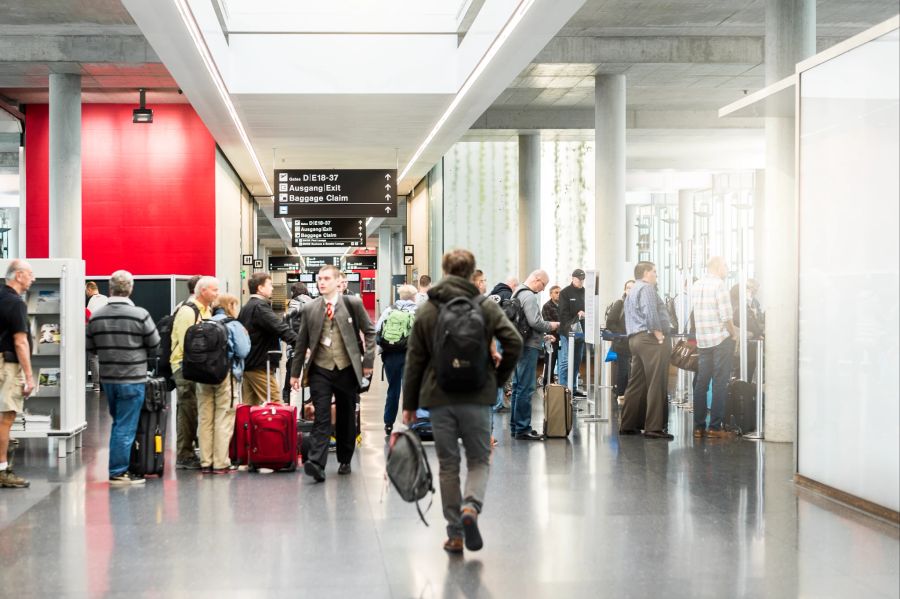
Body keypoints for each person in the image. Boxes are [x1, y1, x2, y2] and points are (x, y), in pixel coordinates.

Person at [402, 249, 522, 554]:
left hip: (439, 396)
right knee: (480, 459)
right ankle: (471, 507)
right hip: (478, 394)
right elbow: (514, 341)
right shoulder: (484, 306)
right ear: (472, 274)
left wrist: (410, 404)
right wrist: (496, 377)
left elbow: (415, 359)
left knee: (448, 465)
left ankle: (454, 533)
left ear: (444, 270)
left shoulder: (429, 309)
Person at [290, 264, 375, 482]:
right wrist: (295, 373)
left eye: (326, 278)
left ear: (338, 282)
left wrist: (368, 362)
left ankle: (345, 458)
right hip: (320, 369)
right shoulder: (311, 308)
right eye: (319, 278)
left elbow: (370, 331)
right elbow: (301, 344)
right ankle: (317, 462)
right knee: (322, 415)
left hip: (346, 368)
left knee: (346, 414)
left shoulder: (352, 304)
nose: (321, 282)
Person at [86, 270, 161, 485]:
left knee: (119, 422)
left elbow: (90, 347)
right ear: (130, 288)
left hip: (109, 379)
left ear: (110, 289)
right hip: (132, 378)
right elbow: (155, 343)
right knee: (125, 426)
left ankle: (124, 466)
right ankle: (118, 472)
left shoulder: (97, 316)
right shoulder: (140, 314)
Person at [619, 262, 673, 440]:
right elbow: (650, 312)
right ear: (646, 273)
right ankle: (654, 427)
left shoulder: (632, 290)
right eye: (654, 272)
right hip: (649, 339)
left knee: (635, 383)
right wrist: (659, 335)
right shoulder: (647, 288)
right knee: (656, 382)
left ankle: (627, 424)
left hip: (634, 339)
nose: (656, 275)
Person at [197, 293, 250, 473]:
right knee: (224, 416)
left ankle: (205, 461)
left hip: (202, 376)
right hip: (225, 375)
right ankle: (221, 462)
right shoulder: (233, 325)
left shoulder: (204, 323)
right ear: (231, 306)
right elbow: (243, 351)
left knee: (205, 418)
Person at [170, 276, 217, 469]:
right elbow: (186, 343)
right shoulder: (188, 311)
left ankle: (194, 447)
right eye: (214, 290)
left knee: (196, 409)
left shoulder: (207, 310)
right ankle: (184, 454)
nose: (217, 293)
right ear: (203, 291)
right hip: (185, 367)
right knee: (187, 409)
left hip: (198, 367)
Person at [508, 270, 559, 440]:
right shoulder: (529, 296)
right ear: (537, 280)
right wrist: (552, 326)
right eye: (543, 285)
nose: (543, 289)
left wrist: (542, 335)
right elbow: (534, 321)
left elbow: (523, 322)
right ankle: (523, 428)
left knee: (517, 386)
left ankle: (516, 426)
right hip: (528, 347)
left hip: (518, 344)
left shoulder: (517, 292)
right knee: (526, 388)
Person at [693, 257, 737, 439]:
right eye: (726, 266)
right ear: (719, 267)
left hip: (703, 340)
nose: (727, 270)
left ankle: (698, 427)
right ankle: (715, 427)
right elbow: (726, 315)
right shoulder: (719, 285)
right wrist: (733, 333)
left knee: (701, 383)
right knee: (719, 383)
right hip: (720, 340)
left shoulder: (696, 285)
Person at [0, 260, 35, 489]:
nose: (33, 279)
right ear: (19, 275)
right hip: (8, 365)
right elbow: (20, 341)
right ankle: (3, 470)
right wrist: (30, 376)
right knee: (6, 417)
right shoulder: (16, 303)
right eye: (30, 275)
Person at [238, 272, 297, 406]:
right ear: (260, 288)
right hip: (260, 366)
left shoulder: (246, 308)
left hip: (248, 365)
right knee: (276, 403)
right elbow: (280, 328)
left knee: (250, 407)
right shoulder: (260, 307)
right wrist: (300, 344)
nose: (272, 288)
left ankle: (250, 427)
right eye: (270, 285)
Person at [375, 284, 417, 435]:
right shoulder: (417, 310)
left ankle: (388, 423)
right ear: (413, 296)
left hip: (391, 354)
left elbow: (377, 330)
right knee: (409, 389)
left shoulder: (389, 310)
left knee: (393, 389)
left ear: (400, 296)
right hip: (410, 355)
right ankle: (410, 423)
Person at [282, 282, 313, 402]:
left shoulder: (294, 303)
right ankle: (308, 399)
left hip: (296, 344)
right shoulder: (313, 302)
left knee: (292, 369)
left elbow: (288, 324)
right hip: (311, 345)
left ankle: (288, 397)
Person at [605, 280, 635, 404]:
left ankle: (630, 393)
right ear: (624, 289)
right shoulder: (620, 304)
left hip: (635, 343)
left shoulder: (638, 304)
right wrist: (622, 335)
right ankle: (621, 393)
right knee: (623, 370)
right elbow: (610, 322)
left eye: (633, 288)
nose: (630, 290)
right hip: (622, 343)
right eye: (628, 288)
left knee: (632, 370)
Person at [558, 269, 586, 396]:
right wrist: (577, 315)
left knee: (576, 361)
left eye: (582, 279)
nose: (580, 281)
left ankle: (573, 388)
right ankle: (563, 390)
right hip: (567, 332)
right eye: (578, 279)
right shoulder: (565, 293)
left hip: (581, 332)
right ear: (573, 278)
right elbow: (563, 314)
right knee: (566, 362)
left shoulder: (586, 292)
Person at [729, 279, 764, 381]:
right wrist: (758, 333)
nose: (754, 291)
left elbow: (759, 317)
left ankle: (744, 389)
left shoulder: (754, 302)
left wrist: (756, 313)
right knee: (741, 368)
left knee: (748, 367)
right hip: (743, 340)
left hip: (749, 340)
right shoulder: (739, 304)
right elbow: (746, 321)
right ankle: (739, 390)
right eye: (751, 289)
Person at [85, 281, 108, 392]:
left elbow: (89, 318)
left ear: (89, 289)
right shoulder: (105, 299)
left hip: (95, 332)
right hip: (108, 333)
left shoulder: (91, 301)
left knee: (94, 359)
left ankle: (96, 385)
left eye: (86, 291)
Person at [541, 285, 561, 384]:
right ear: (550, 294)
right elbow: (548, 323)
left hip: (562, 339)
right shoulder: (546, 306)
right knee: (550, 364)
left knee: (562, 364)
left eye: (560, 292)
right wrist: (560, 325)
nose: (559, 294)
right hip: (551, 338)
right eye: (556, 292)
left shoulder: (563, 306)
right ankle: (547, 387)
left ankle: (561, 389)